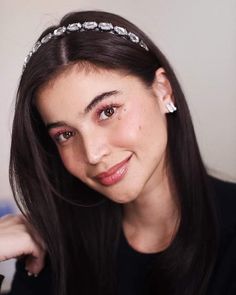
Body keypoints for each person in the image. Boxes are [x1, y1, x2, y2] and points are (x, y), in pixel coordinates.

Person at [0, 10, 235, 295]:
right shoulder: (52, 249)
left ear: (163, 91)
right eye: (65, 134)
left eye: (107, 111)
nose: (93, 153)